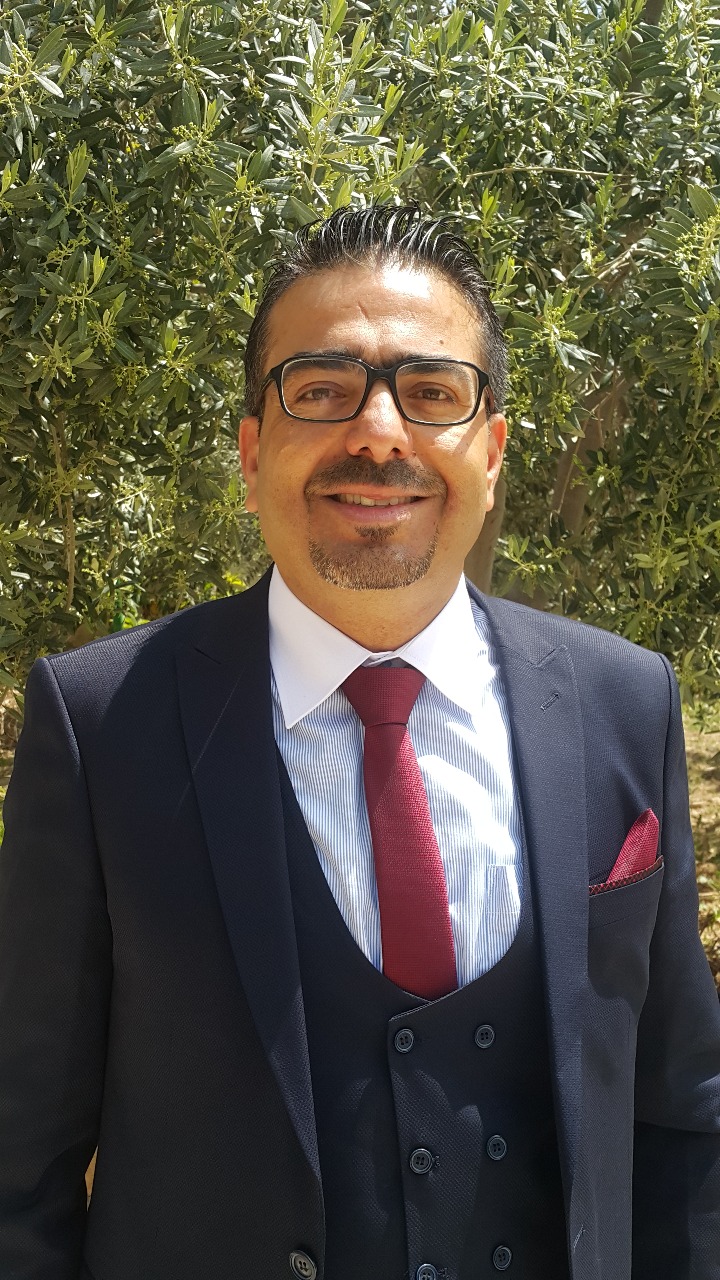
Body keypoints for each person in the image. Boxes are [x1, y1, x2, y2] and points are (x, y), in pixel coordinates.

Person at [0, 204, 718, 1280]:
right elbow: (22, 1158)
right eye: (323, 388)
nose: (379, 433)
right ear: (252, 449)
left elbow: (682, 1114)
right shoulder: (98, 724)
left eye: (431, 392)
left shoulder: (626, 701)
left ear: (492, 450)